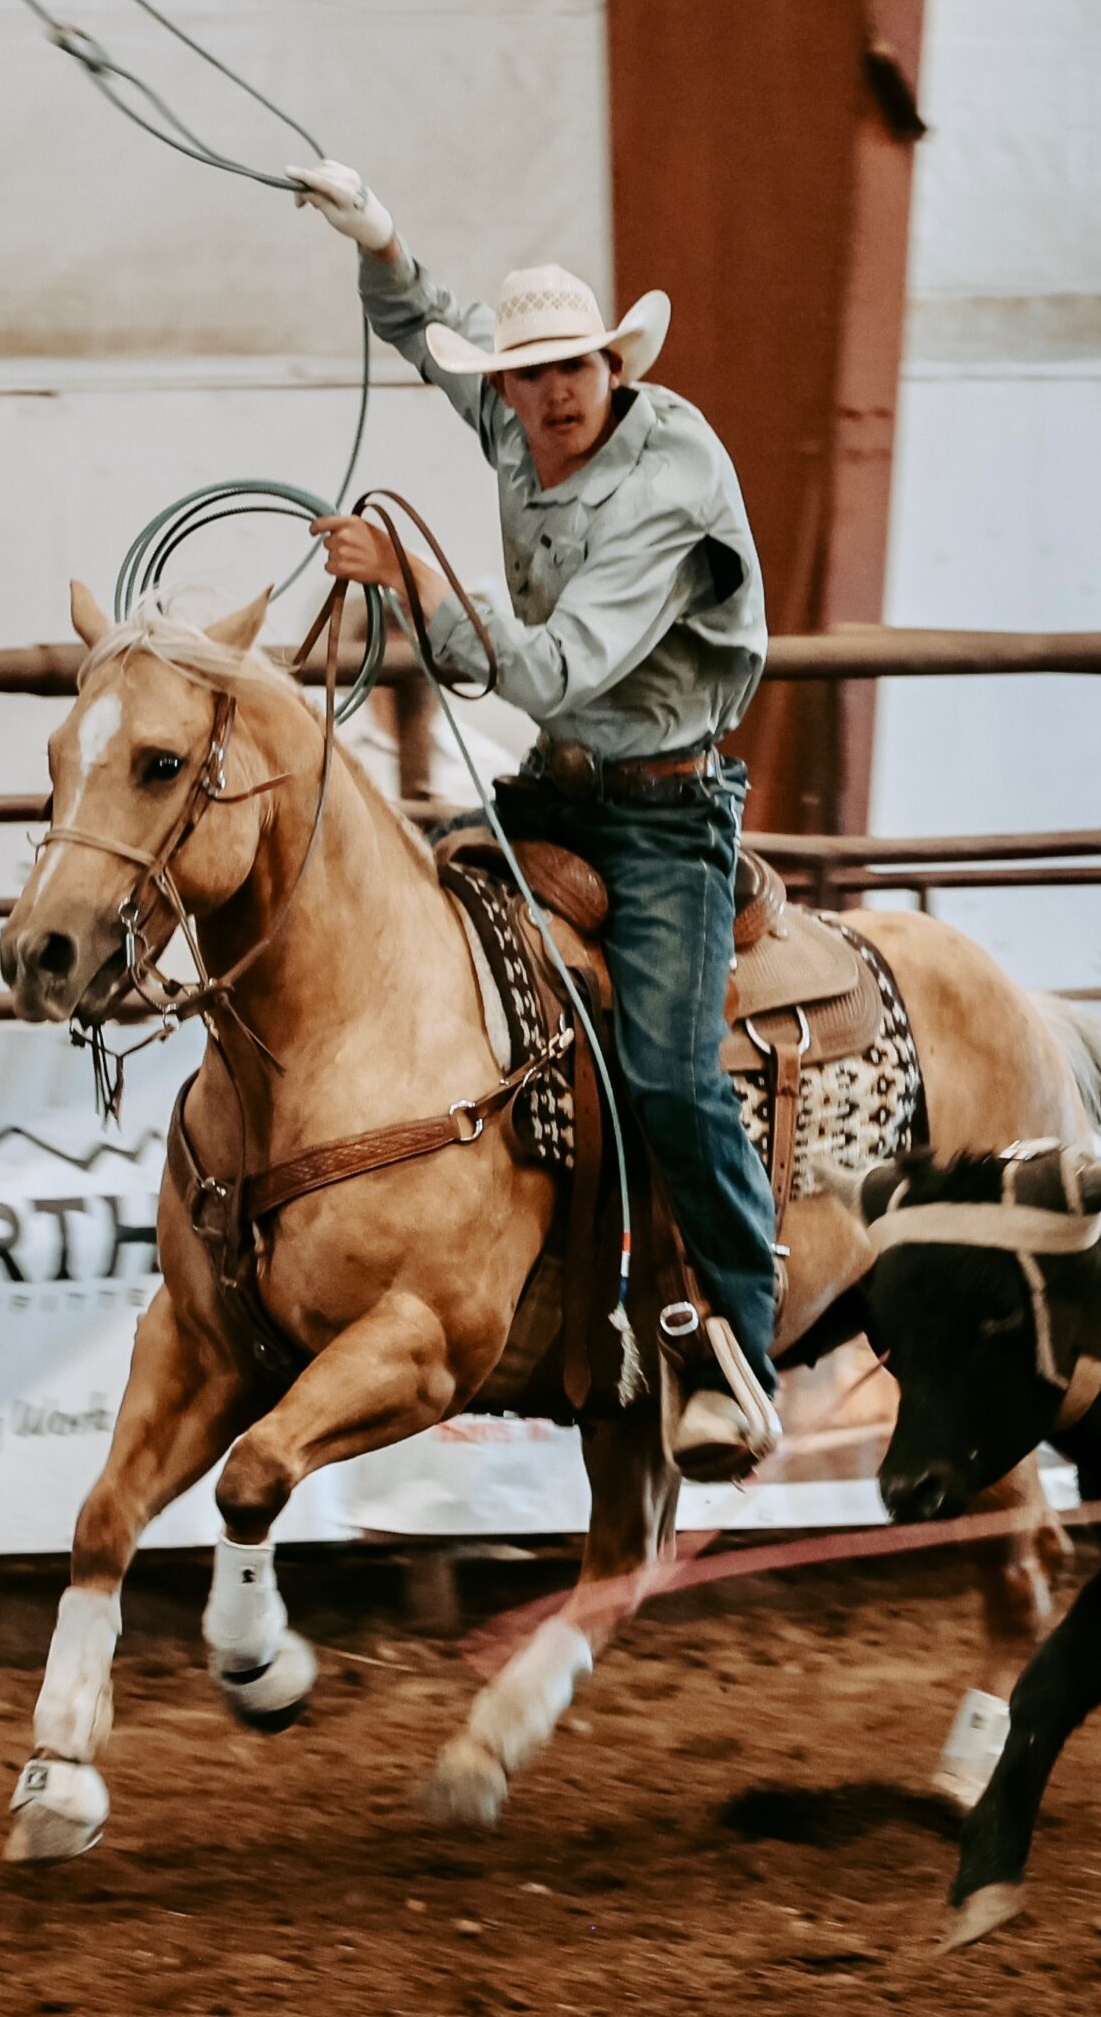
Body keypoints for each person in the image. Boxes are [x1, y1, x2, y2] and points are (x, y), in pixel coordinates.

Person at [286, 160, 779, 1478]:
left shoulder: (666, 486)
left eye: (575, 369)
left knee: (673, 1074)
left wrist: (413, 581)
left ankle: (741, 1338)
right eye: (529, 372)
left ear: (612, 369)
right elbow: (424, 325)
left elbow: (560, 668)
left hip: (667, 816)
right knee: (409, 959)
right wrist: (380, 234)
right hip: (561, 785)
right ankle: (538, 1278)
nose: (553, 393)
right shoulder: (515, 419)